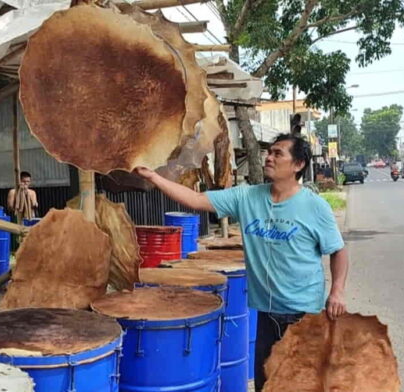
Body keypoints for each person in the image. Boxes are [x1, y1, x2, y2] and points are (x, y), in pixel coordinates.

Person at [135, 134, 349, 391]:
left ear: (298, 165)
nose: (268, 157)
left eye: (278, 153)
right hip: (267, 312)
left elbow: (338, 251)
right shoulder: (246, 197)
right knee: (266, 382)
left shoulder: (315, 207)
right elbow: (196, 200)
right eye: (269, 152)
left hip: (305, 313)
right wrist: (154, 177)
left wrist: (336, 292)